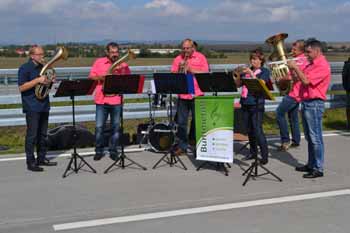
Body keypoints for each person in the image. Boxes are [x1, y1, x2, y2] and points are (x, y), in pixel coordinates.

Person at [287, 39, 331, 178]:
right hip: (306, 102)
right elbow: (299, 79)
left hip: (315, 103)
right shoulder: (310, 64)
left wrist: (296, 67)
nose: (306, 55)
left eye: (309, 52)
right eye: (305, 52)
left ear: (317, 51)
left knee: (315, 137)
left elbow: (306, 81)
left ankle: (318, 168)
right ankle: (311, 164)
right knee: (309, 136)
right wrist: (291, 69)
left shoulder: (322, 65)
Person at [18, 45, 57, 172]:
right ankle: (30, 162)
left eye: (43, 54)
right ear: (32, 55)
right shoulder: (25, 68)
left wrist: (51, 81)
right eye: (40, 54)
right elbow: (21, 88)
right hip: (32, 106)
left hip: (44, 104)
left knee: (43, 134)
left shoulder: (45, 68)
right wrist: (37, 80)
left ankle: (41, 158)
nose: (42, 57)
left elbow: (47, 88)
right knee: (32, 135)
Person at [89, 42, 131, 161]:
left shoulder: (123, 64)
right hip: (102, 100)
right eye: (112, 52)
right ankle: (98, 150)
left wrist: (121, 72)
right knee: (99, 127)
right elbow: (91, 76)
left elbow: (129, 80)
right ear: (107, 52)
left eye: (116, 52)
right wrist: (102, 77)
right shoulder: (99, 62)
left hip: (116, 99)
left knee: (116, 127)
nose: (115, 54)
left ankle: (113, 151)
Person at [171, 38, 209, 155]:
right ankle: (182, 146)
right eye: (183, 48)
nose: (185, 51)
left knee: (198, 122)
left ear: (193, 48)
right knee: (182, 123)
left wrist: (192, 70)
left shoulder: (201, 57)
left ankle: (198, 147)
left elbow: (206, 72)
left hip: (197, 94)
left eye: (188, 48)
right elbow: (172, 75)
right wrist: (179, 69)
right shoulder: (178, 59)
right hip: (183, 95)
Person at [234, 49, 272, 165]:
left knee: (257, 129)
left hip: (257, 103)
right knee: (249, 129)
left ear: (261, 60)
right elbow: (239, 85)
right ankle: (253, 152)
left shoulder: (264, 71)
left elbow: (262, 84)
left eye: (255, 59)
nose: (252, 61)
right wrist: (238, 76)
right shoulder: (248, 70)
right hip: (245, 102)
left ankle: (264, 156)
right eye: (251, 59)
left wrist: (250, 74)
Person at [276, 40, 309, 151]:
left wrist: (280, 78)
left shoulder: (300, 61)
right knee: (293, 117)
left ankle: (285, 141)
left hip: (295, 94)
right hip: (296, 92)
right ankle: (296, 140)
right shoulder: (301, 59)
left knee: (279, 113)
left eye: (294, 49)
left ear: (301, 50)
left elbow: (290, 77)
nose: (292, 51)